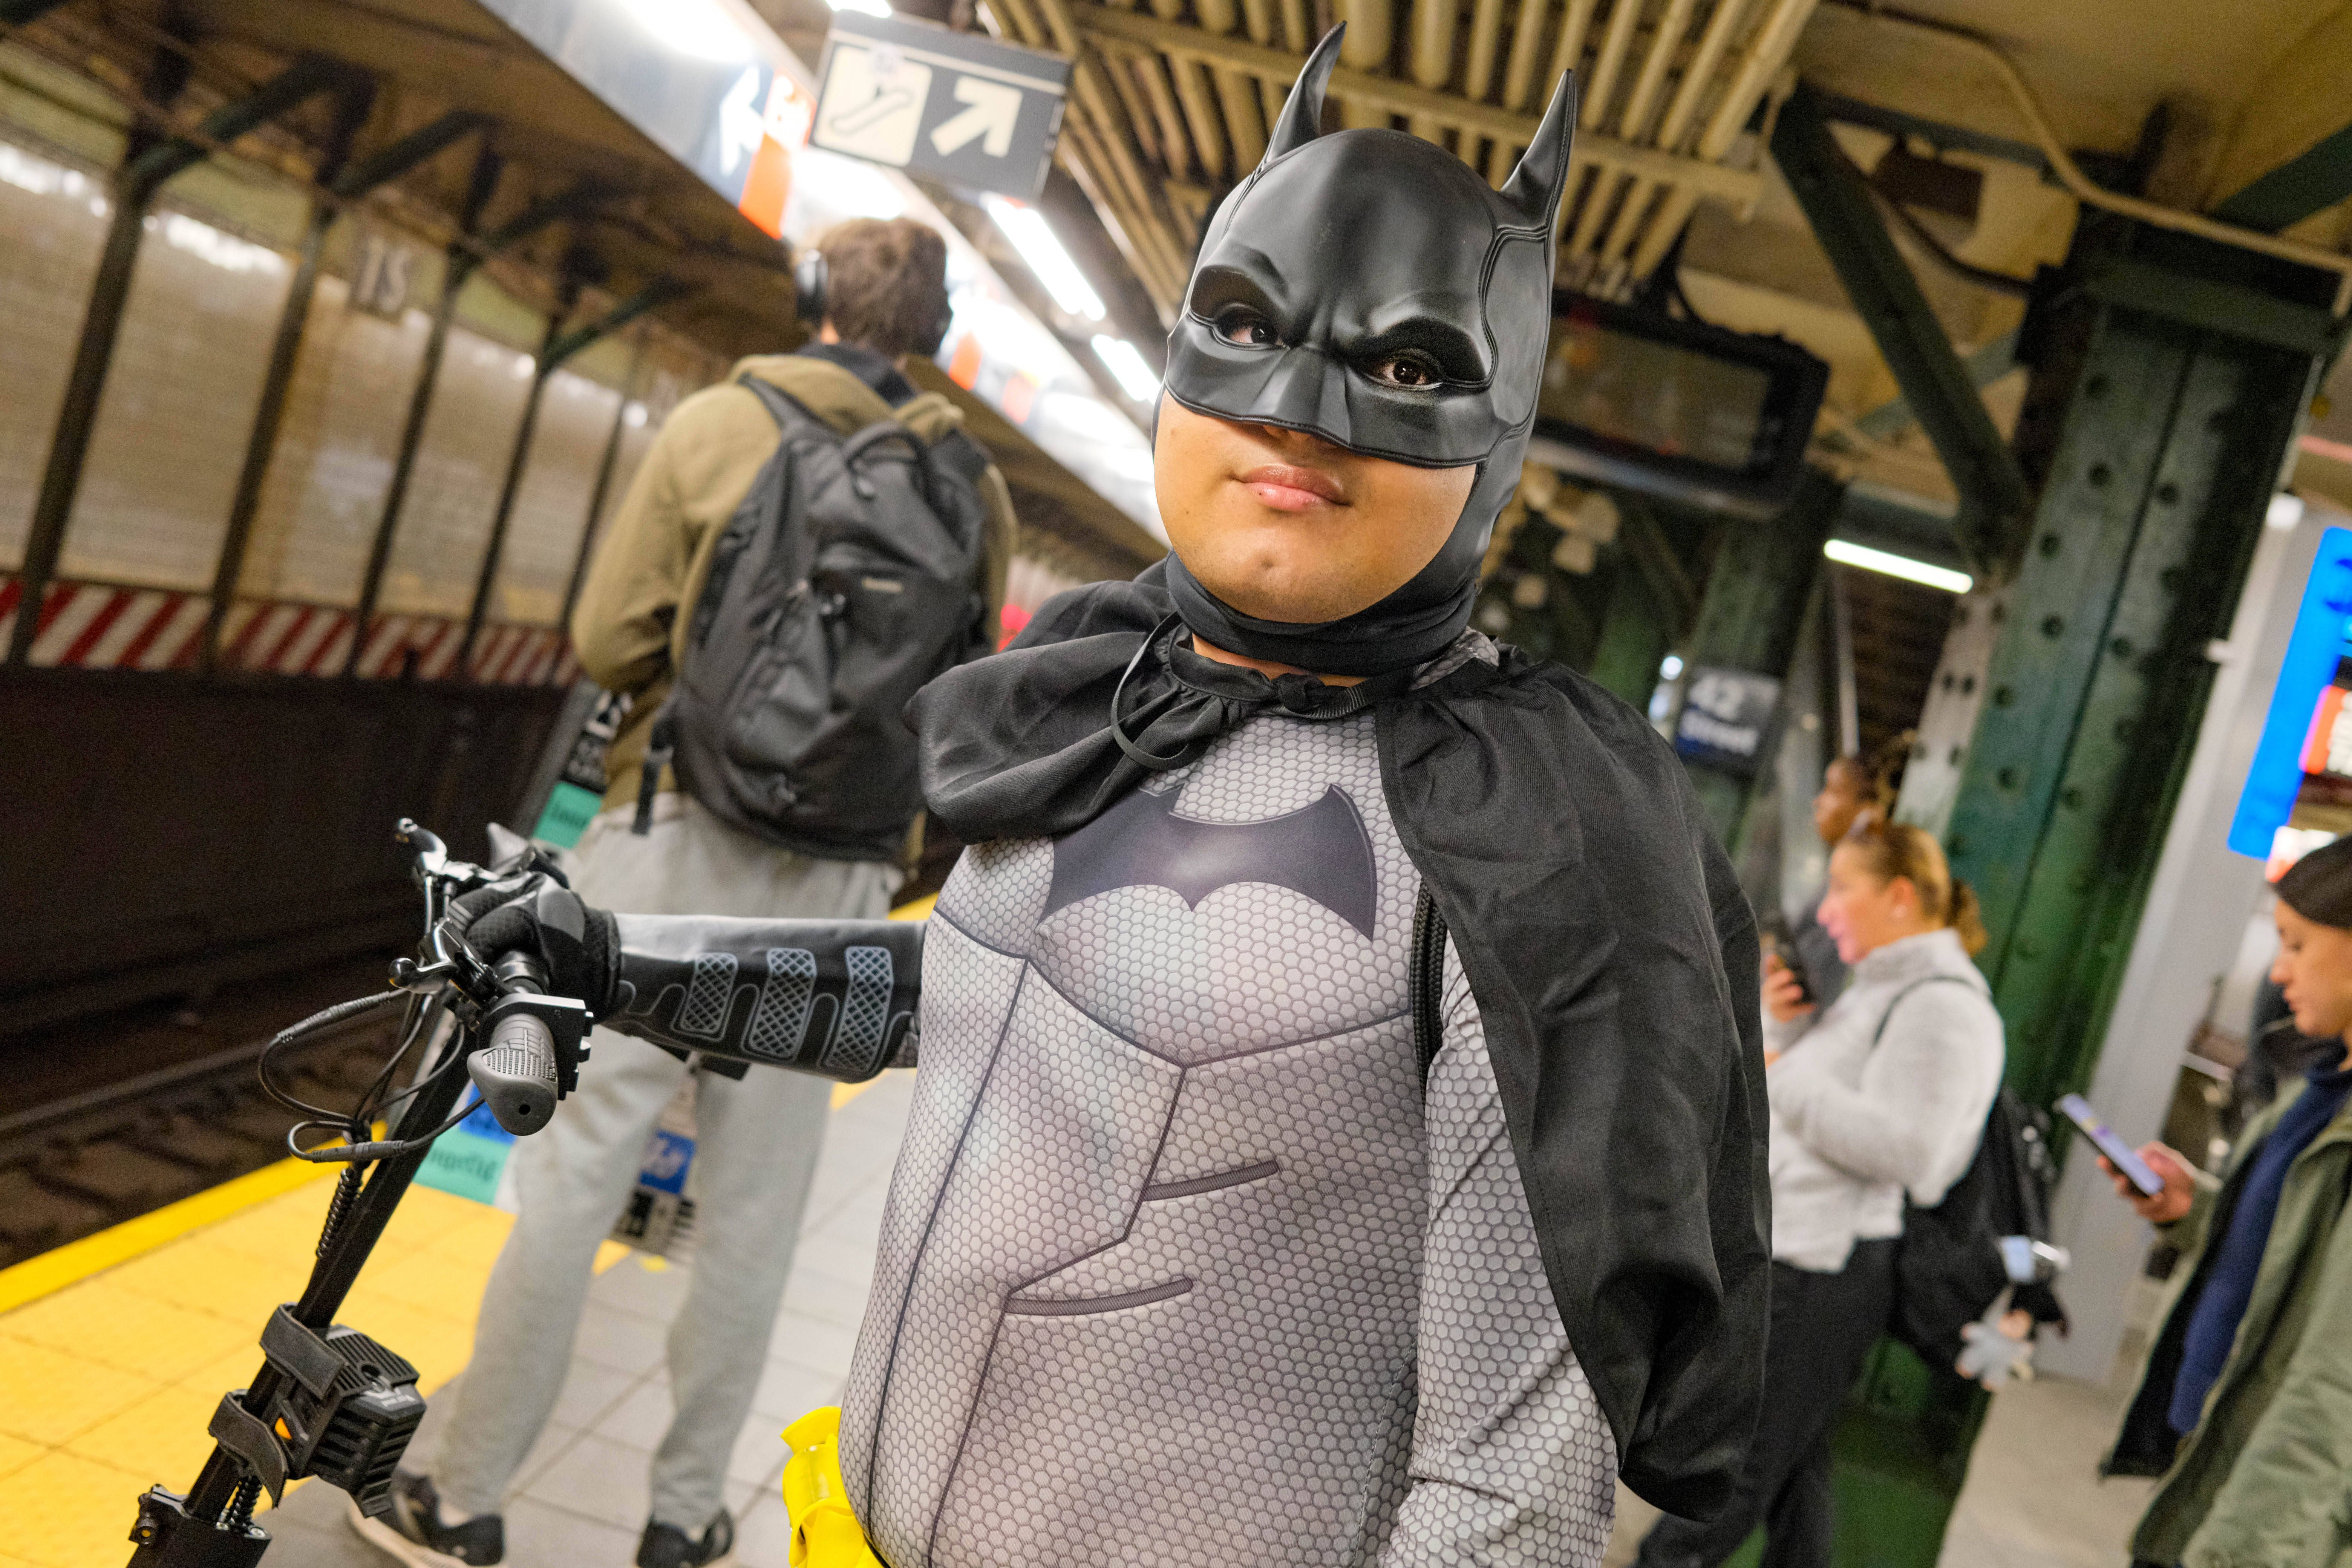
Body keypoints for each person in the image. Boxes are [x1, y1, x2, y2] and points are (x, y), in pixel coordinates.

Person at [436, 30, 1771, 1567]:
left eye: (1411, 370)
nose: (1298, 413)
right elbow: (998, 994)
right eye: (1245, 324)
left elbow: (1510, 1499)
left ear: (1506, 423)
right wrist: (618, 962)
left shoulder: (1535, 848)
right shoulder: (1105, 689)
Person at [356, 217, 1016, 1568]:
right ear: (936, 332)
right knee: (755, 1216)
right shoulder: (975, 485)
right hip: (839, 889)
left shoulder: (722, 424)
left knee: (574, 1176)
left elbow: (609, 638)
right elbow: (961, 698)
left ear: (813, 294)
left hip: (666, 847)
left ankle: (466, 1499)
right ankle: (683, 1516)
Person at [1639, 818, 2004, 1568]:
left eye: (1844, 888)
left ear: (1900, 896)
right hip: (1800, 1252)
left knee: (1735, 1468)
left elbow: (1919, 1154)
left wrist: (1785, 1071)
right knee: (1795, 1469)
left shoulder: (1942, 1008)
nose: (1827, 908)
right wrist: (1780, 1028)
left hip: (1827, 1271)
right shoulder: (1877, 990)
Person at [2102, 833, 2352, 1568]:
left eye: (2298, 944)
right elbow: (2292, 1250)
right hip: (2215, 1441)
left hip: (2261, 1508)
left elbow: (2335, 1388)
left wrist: (2244, 1553)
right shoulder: (2320, 1087)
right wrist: (2195, 1211)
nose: (2279, 970)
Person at [1766, 754, 1875, 1017]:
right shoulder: (1830, 876)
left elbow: (1817, 984)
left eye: (1833, 790)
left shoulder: (1859, 883)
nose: (1818, 802)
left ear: (1867, 809)